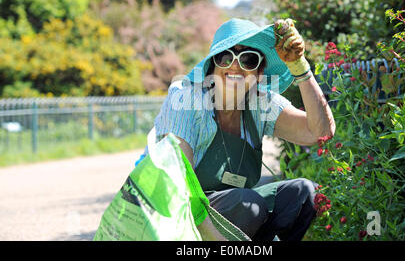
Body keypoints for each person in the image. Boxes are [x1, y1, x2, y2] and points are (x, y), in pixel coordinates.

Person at [137, 18, 335, 241]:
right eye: (226, 57)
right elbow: (177, 184)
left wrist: (300, 66)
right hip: (179, 217)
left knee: (304, 193)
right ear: (212, 67)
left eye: (249, 60)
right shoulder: (186, 100)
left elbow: (321, 132)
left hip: (235, 215)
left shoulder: (260, 104)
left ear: (259, 73)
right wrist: (217, 239)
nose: (235, 66)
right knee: (248, 205)